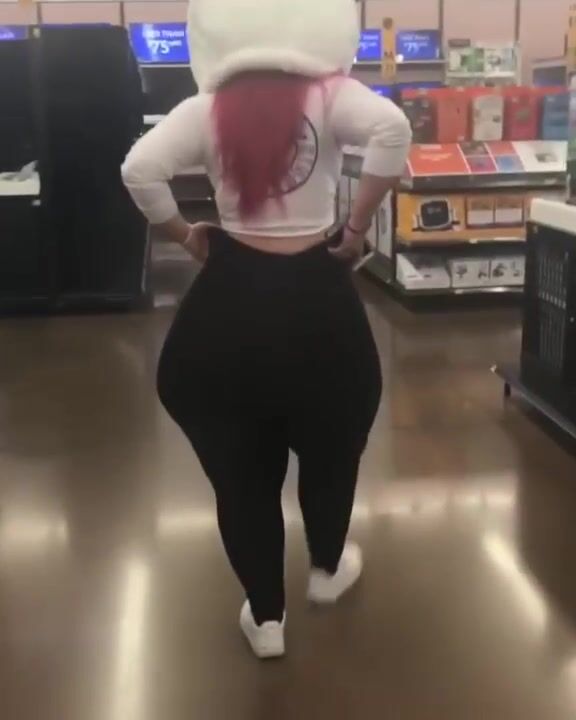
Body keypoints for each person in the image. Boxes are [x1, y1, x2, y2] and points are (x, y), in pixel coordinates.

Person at [121, 0, 411, 659]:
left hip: (228, 309)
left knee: (242, 475)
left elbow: (138, 169)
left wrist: (184, 234)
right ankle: (328, 567)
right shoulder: (331, 96)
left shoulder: (206, 109)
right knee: (332, 448)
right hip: (319, 307)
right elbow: (392, 129)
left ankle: (266, 617)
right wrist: (356, 227)